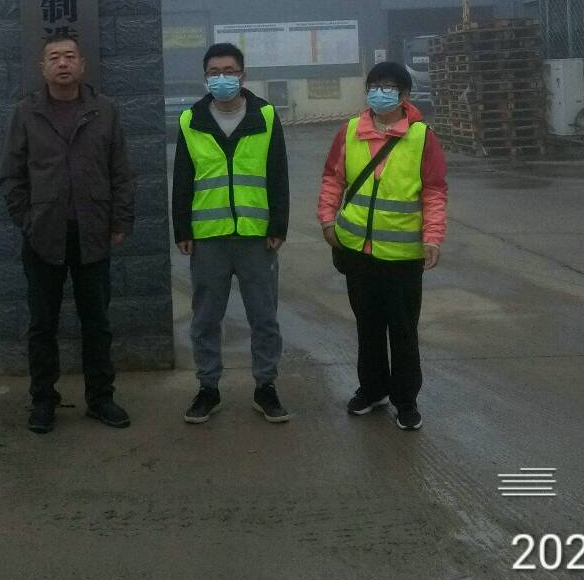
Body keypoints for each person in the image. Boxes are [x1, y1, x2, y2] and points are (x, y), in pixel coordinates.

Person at [0, 36, 135, 434]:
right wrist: (28, 220)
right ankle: (43, 400)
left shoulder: (104, 110)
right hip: (43, 237)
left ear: (82, 65)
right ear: (42, 67)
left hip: (93, 234)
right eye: (54, 57)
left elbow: (121, 172)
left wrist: (120, 222)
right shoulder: (26, 113)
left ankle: (101, 398)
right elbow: (11, 175)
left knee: (97, 322)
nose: (63, 63)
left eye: (70, 56)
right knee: (43, 324)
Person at [318, 61, 446, 431]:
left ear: (404, 95)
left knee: (403, 331)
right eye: (374, 86)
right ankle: (372, 390)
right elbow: (333, 178)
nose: (379, 93)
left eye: (388, 87)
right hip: (357, 251)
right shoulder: (349, 132)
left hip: (402, 256)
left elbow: (434, 190)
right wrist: (327, 218)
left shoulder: (421, 137)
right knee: (368, 326)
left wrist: (433, 237)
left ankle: (406, 401)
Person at [172, 42, 291, 424]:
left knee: (264, 318)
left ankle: (265, 387)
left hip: (257, 237)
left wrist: (278, 225)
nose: (222, 78)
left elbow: (278, 174)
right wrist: (182, 229)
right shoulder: (191, 120)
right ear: (205, 77)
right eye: (214, 72)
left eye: (229, 71)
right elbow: (182, 179)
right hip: (209, 238)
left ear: (243, 75)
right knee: (206, 319)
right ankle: (208, 388)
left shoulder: (266, 116)